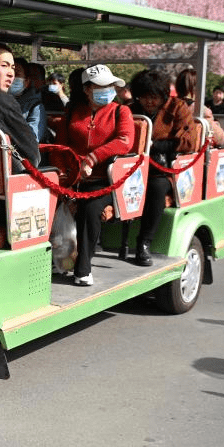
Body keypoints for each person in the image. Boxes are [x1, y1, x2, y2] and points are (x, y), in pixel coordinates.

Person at [54, 64, 133, 285]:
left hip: (105, 182)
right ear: (87, 89)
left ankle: (83, 268)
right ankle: (56, 260)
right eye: (101, 86)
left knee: (89, 210)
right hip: (73, 179)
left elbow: (125, 141)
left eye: (110, 85)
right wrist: (62, 174)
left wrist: (94, 157)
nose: (108, 89)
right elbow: (60, 146)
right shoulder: (71, 112)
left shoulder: (121, 111)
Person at [128, 68, 200, 267]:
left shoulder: (178, 108)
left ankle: (144, 243)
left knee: (156, 188)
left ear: (163, 96)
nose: (149, 102)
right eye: (144, 97)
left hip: (164, 168)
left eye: (154, 97)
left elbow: (188, 142)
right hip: (133, 166)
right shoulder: (130, 108)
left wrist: (155, 145)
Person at [175, 68, 224, 146]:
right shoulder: (201, 110)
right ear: (197, 88)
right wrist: (216, 124)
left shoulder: (167, 106)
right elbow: (220, 139)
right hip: (190, 152)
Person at [12, 58, 47, 143]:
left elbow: (32, 140)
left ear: (26, 81)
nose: (12, 77)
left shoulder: (35, 107)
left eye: (17, 74)